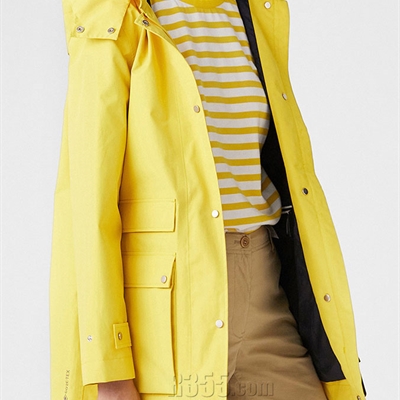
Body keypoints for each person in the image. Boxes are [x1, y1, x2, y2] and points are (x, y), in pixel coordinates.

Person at [50, 0, 366, 399]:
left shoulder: (254, 11)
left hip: (266, 293)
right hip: (166, 322)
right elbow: (89, 200)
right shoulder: (114, 14)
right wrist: (109, 368)